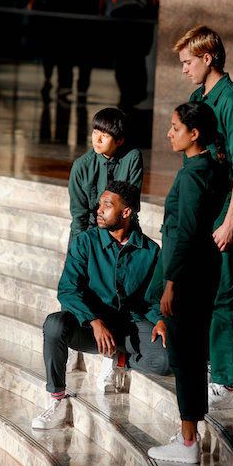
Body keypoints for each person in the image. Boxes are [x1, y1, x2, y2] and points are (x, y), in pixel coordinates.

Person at [32, 180, 169, 429]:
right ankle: (57, 399)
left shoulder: (150, 251)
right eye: (100, 204)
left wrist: (161, 318)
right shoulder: (85, 242)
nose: (99, 210)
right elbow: (68, 290)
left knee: (165, 360)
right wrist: (94, 321)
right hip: (90, 328)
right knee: (54, 324)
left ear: (126, 212)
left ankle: (118, 359)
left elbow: (152, 298)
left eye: (107, 205)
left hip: (127, 327)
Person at [172, 26, 233, 409]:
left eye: (188, 62)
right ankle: (208, 363)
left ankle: (225, 378)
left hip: (221, 210)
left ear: (208, 58)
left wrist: (229, 221)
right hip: (200, 206)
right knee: (199, 292)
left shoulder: (232, 101)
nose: (184, 69)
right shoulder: (196, 96)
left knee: (222, 293)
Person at [146, 103, 228, 464]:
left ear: (194, 134)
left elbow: (185, 234)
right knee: (191, 356)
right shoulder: (210, 167)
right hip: (203, 272)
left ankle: (188, 441)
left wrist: (171, 282)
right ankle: (189, 436)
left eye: (175, 127)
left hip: (188, 277)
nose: (169, 132)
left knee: (185, 359)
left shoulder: (193, 175)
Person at [27, 0, 99, 101]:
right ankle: (79, 90)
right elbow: (94, 4)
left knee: (57, 56)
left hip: (54, 25)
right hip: (78, 26)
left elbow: (33, 2)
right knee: (78, 59)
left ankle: (57, 84)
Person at [68, 107, 143, 246]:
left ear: (119, 141)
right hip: (92, 225)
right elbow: (79, 215)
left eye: (105, 135)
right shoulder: (81, 165)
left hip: (123, 224)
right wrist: (77, 246)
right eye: (95, 132)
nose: (97, 139)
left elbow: (132, 202)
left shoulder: (132, 157)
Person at [98, 0, 161, 111]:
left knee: (122, 57)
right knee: (138, 56)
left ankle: (126, 94)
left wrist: (101, 6)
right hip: (143, 15)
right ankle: (136, 94)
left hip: (122, 12)